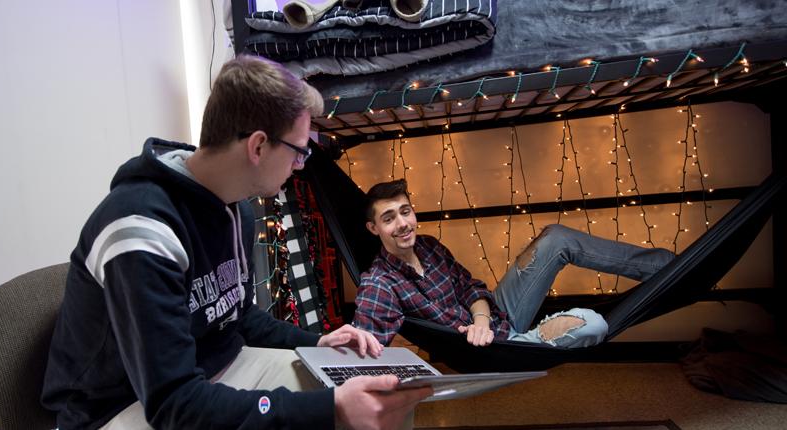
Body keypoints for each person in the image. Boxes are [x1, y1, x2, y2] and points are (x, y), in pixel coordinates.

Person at [41, 55, 431, 430]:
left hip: (214, 367)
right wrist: (328, 408)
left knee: (382, 397)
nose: (300, 166)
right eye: (299, 152)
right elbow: (174, 403)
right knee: (336, 411)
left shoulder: (236, 209)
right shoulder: (141, 228)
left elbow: (237, 315)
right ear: (258, 146)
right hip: (123, 406)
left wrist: (318, 341)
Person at [353, 179, 675, 348]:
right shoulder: (380, 283)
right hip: (492, 349)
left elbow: (471, 287)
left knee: (557, 238)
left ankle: (670, 267)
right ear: (373, 228)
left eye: (405, 211)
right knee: (595, 324)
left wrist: (481, 318)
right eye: (389, 218)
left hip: (497, 314)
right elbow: (364, 343)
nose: (403, 224)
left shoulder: (429, 246)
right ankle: (532, 340)